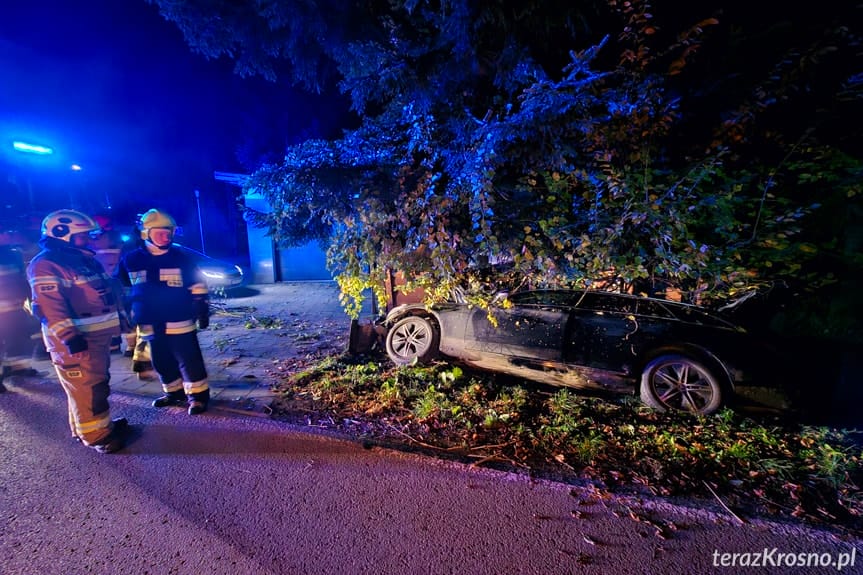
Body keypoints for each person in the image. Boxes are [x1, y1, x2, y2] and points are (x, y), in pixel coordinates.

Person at [26, 209, 129, 453]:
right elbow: (50, 307)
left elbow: (107, 293)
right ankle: (97, 437)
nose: (88, 240)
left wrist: (121, 321)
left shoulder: (83, 260)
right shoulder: (45, 265)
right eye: (82, 236)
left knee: (90, 385)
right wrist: (70, 337)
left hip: (94, 338)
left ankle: (89, 428)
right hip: (75, 341)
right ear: (62, 235)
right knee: (88, 389)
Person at [116, 208, 211, 415]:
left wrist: (202, 310)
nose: (165, 237)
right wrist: (126, 313)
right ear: (146, 233)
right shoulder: (131, 260)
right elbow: (122, 287)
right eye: (160, 233)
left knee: (189, 359)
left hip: (179, 318)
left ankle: (198, 397)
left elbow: (198, 284)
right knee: (161, 359)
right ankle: (173, 392)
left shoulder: (181, 258)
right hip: (149, 320)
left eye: (168, 233)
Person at [0, 227, 42, 392]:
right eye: (5, 233)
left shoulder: (13, 254)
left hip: (14, 307)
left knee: (20, 338)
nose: (8, 236)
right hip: (5, 307)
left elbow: (20, 277)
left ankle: (18, 368)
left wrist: (27, 295)